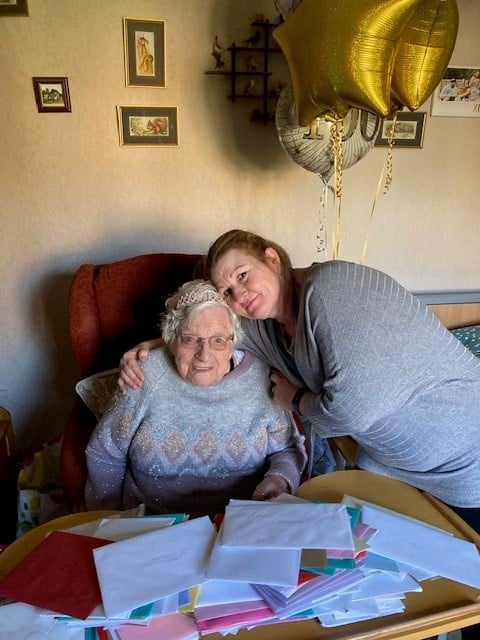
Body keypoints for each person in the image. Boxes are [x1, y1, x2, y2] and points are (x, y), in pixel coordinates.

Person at [119, 230, 480, 640]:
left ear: (272, 259)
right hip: (397, 468)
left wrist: (296, 400)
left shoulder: (330, 288)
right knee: (411, 594)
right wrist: (147, 349)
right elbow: (206, 334)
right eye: (227, 290)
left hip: (466, 458)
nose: (239, 294)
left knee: (467, 600)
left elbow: (354, 410)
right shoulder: (265, 328)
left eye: (242, 275)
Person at [85, 279, 306, 517]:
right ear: (171, 338)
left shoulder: (262, 377)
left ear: (234, 341)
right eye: (190, 339)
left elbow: (287, 448)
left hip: (241, 525)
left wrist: (278, 479)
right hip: (152, 527)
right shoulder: (143, 375)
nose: (204, 355)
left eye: (218, 340)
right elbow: (106, 453)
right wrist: (106, 520)